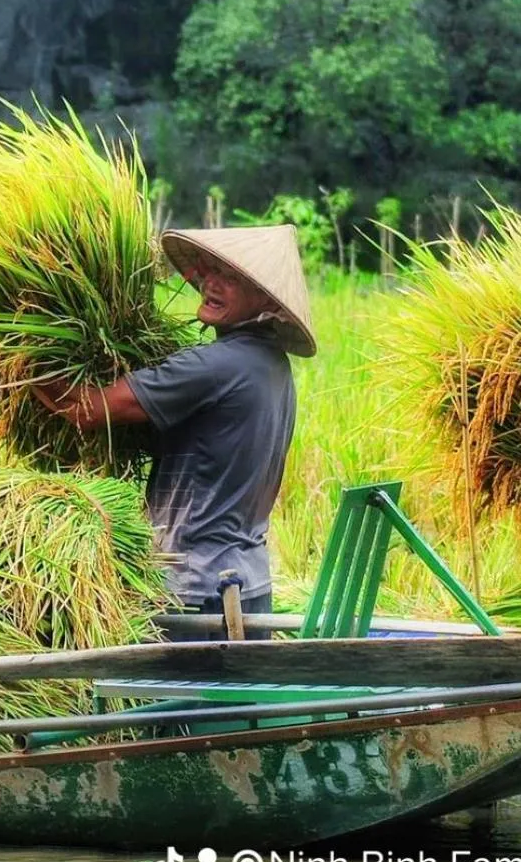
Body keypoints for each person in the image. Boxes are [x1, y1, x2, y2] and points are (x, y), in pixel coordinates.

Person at [31, 224, 316, 639]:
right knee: (231, 707)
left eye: (233, 279)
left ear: (266, 303)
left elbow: (84, 408)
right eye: (212, 272)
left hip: (199, 593)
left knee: (172, 704)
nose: (212, 285)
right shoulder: (272, 367)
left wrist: (20, 353)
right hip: (249, 586)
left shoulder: (215, 366)